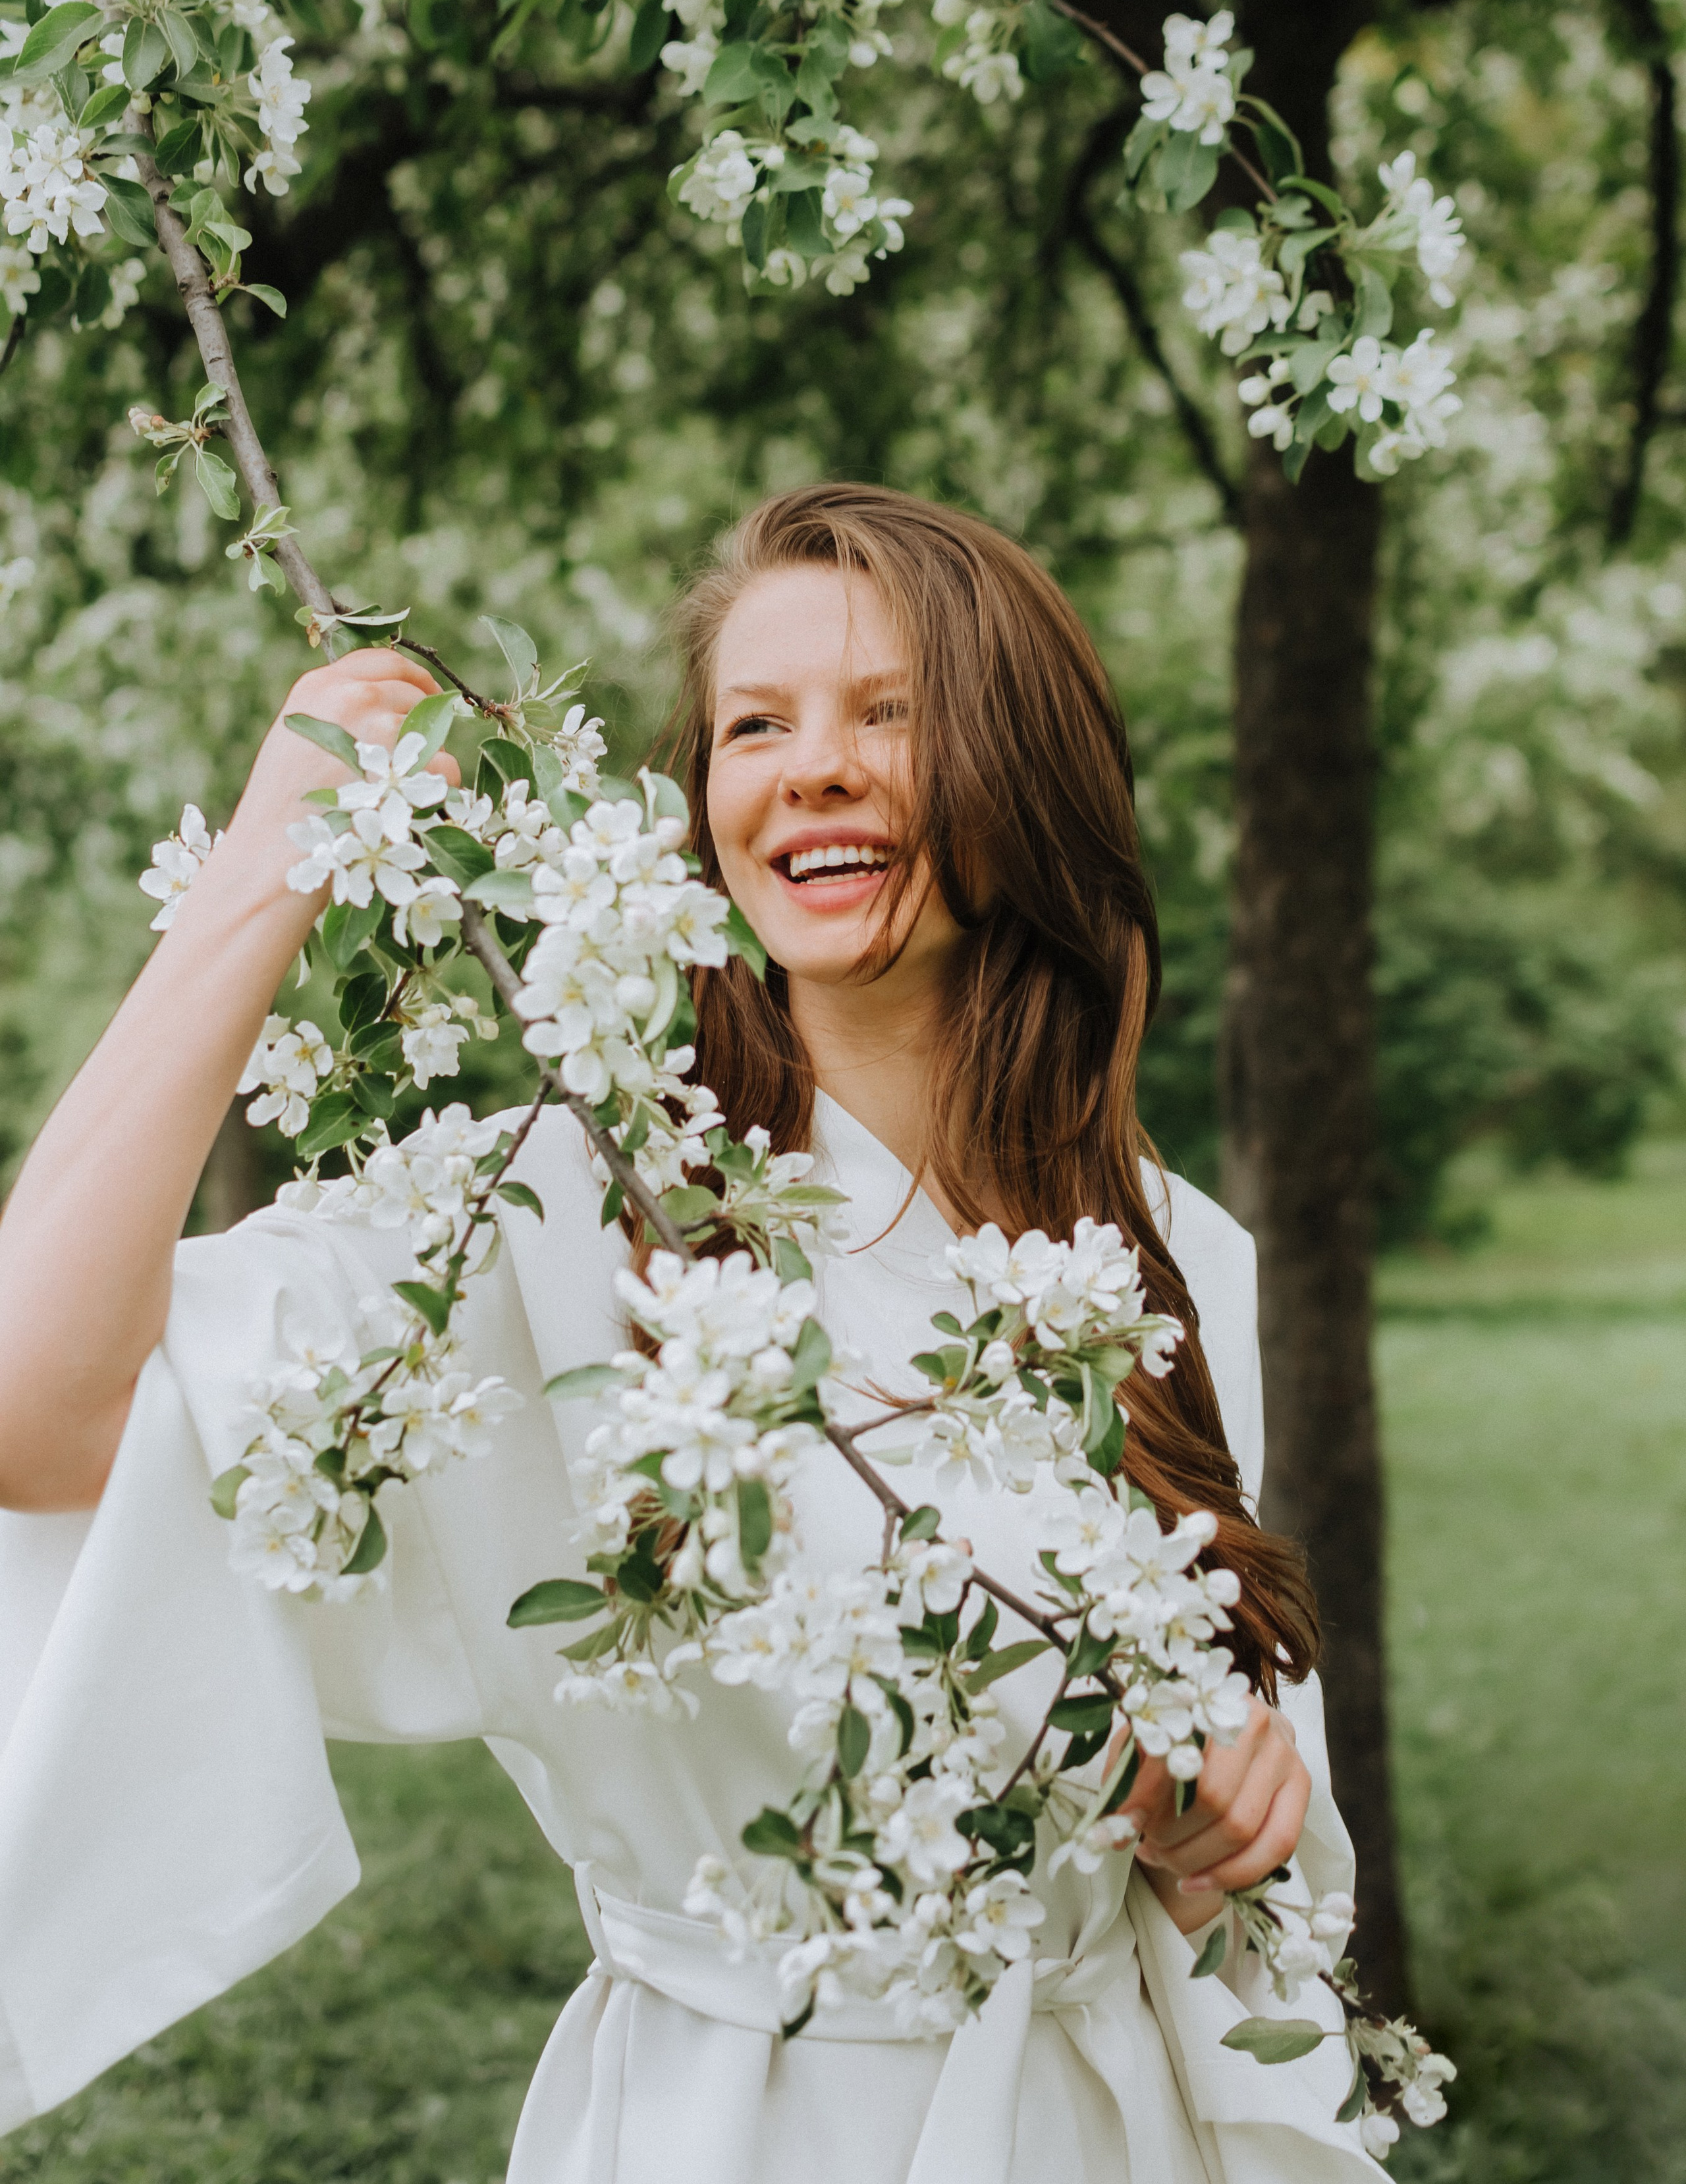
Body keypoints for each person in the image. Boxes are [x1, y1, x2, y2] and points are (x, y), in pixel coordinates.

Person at [0, 485, 1378, 2179]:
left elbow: (1233, 1831)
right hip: (736, 2125)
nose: (811, 764)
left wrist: (1204, 1819)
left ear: (1021, 770)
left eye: (892, 712)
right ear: (704, 806)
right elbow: (32, 1409)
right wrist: (273, 852)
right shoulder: (560, 1220)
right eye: (754, 724)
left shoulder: (1168, 1259)